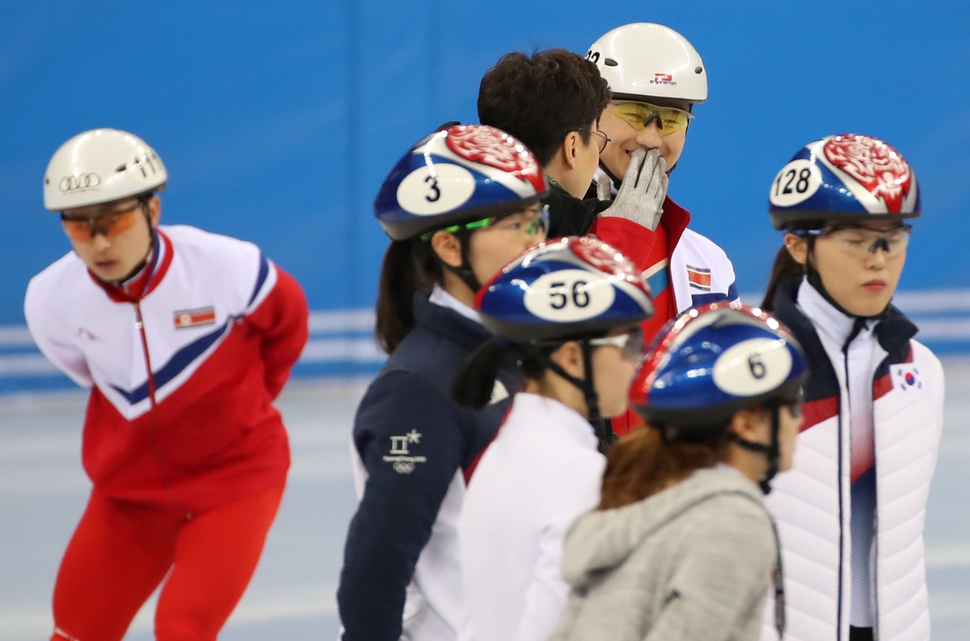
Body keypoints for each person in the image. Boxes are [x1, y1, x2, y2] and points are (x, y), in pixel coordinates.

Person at [24, 128, 309, 641]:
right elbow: (88, 376)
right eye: (80, 229)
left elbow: (288, 325)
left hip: (234, 482)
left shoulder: (227, 266)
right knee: (74, 631)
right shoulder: (50, 299)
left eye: (115, 221)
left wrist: (250, 405)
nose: (101, 242)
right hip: (129, 497)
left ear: (153, 210)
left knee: (182, 629)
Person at [336, 124, 548, 641]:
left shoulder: (521, 352)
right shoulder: (418, 390)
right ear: (451, 248)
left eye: (538, 221)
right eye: (515, 226)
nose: (537, 242)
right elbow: (374, 577)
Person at [760, 133, 944, 641]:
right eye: (857, 239)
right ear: (798, 244)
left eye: (893, 237)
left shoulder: (922, 370)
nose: (879, 259)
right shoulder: (752, 370)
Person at [548, 303, 809, 641]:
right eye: (791, 405)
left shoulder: (648, 500)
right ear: (745, 423)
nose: (798, 421)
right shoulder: (732, 523)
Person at [451, 236, 655, 641]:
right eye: (629, 342)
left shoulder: (504, 453)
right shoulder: (577, 474)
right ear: (572, 358)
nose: (640, 358)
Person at [580, 22, 740, 436]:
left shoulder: (708, 261)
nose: (650, 138)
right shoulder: (544, 238)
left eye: (669, 120)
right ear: (589, 115)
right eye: (633, 113)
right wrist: (618, 241)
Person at [477, 48, 612, 236]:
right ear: (572, 148)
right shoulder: (555, 242)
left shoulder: (462, 218)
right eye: (598, 140)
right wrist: (623, 244)